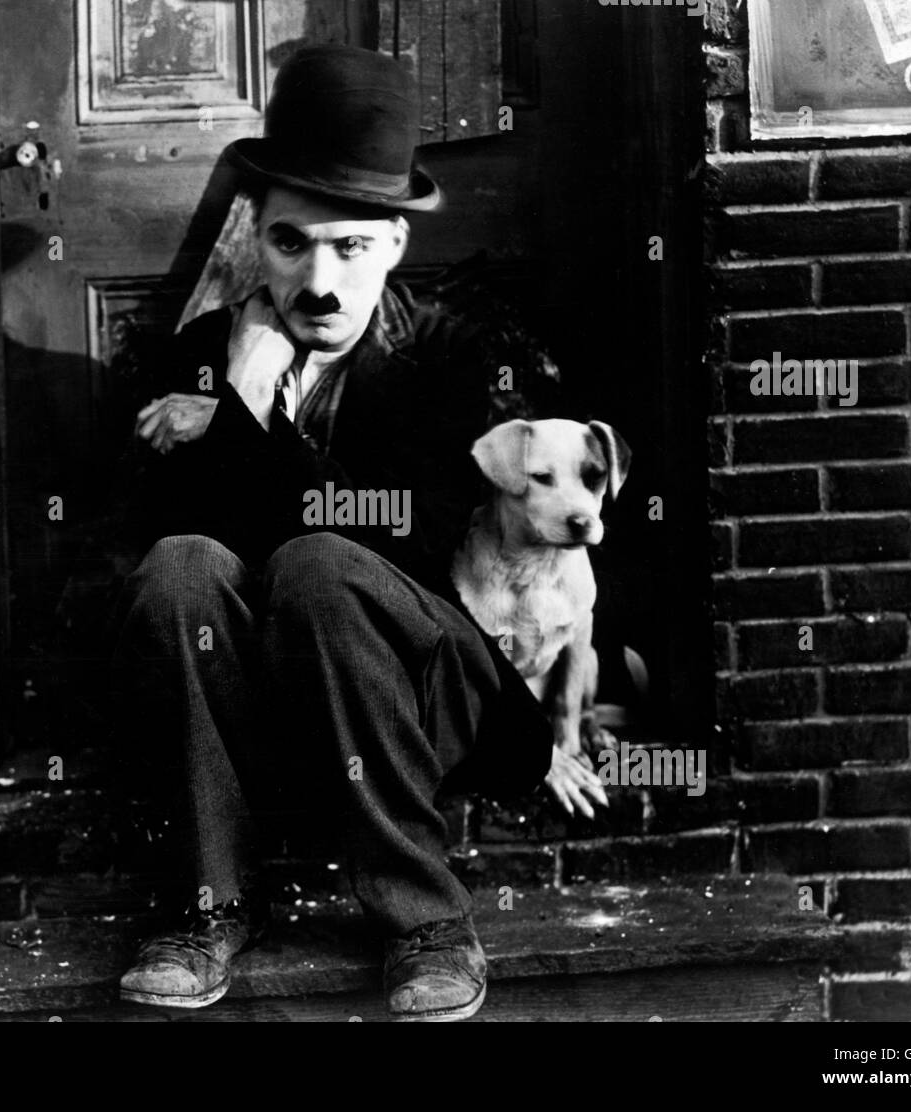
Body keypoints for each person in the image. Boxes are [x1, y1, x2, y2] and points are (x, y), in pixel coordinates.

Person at [109, 45, 604, 1022]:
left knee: (323, 563)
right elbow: (172, 541)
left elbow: (397, 541)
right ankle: (208, 905)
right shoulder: (207, 356)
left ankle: (426, 918)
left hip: (417, 687)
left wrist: (238, 428)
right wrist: (241, 389)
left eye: (349, 248)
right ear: (255, 235)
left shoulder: (449, 356)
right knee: (177, 567)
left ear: (391, 243)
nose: (319, 284)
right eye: (292, 245)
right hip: (268, 705)